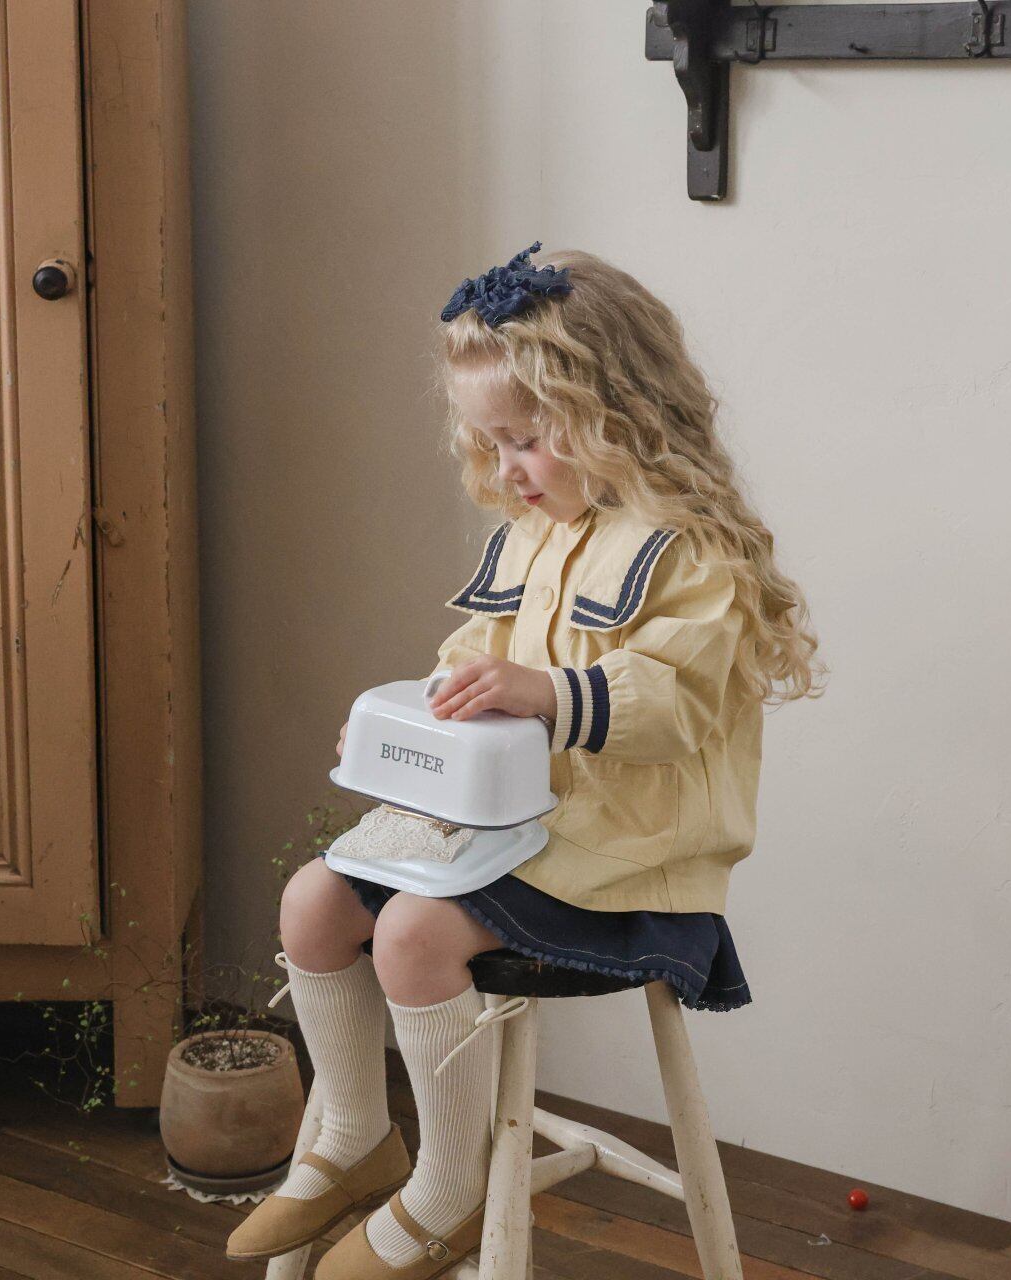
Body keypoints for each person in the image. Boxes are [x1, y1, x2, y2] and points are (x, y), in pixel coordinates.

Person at [225, 244, 825, 1279]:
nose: (505, 470)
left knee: (411, 931)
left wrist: (546, 692)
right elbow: (473, 658)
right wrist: (405, 730)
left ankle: (449, 1185)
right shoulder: (534, 530)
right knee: (312, 901)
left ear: (617, 414)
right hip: (514, 828)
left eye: (528, 441)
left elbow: (675, 701)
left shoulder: (692, 551)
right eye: (491, 442)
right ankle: (356, 1136)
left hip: (628, 856)